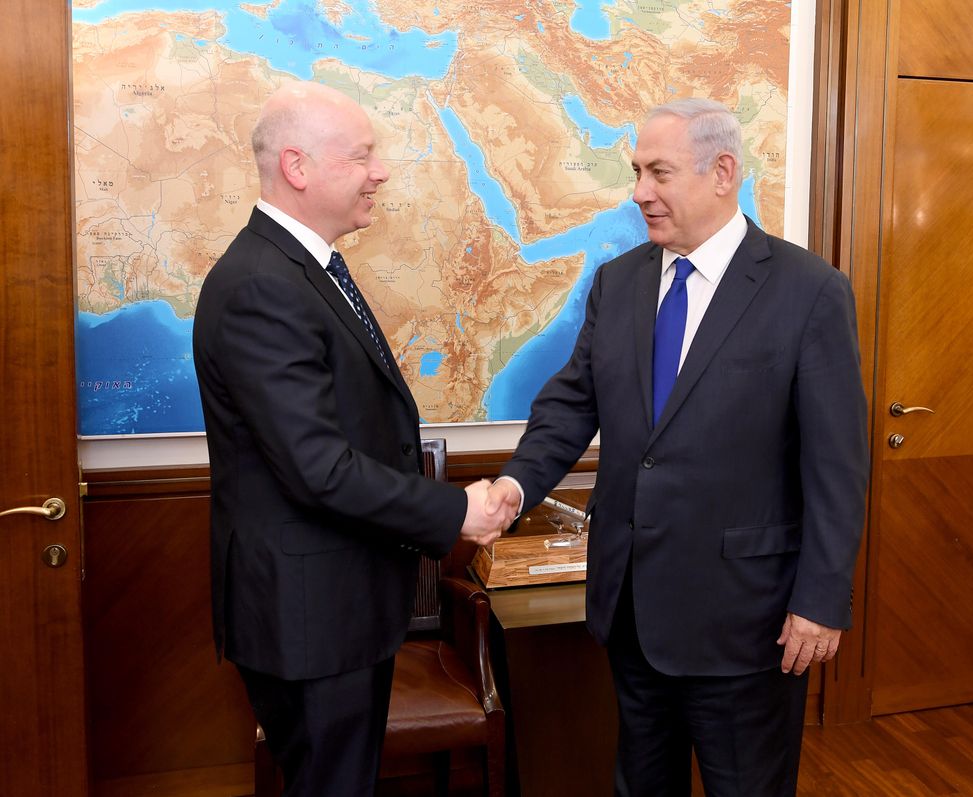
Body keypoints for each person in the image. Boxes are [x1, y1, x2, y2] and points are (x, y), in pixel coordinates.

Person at [487, 98, 869, 796]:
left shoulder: (809, 291)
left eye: (658, 172)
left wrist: (821, 599)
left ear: (722, 172)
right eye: (637, 171)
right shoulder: (620, 280)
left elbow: (838, 464)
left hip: (747, 621)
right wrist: (513, 486)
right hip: (632, 606)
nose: (639, 192)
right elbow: (573, 402)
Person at [192, 81, 513, 797]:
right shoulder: (262, 285)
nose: (381, 171)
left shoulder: (306, 269)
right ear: (299, 168)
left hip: (332, 606)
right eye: (363, 155)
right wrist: (453, 512)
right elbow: (317, 468)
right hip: (309, 615)